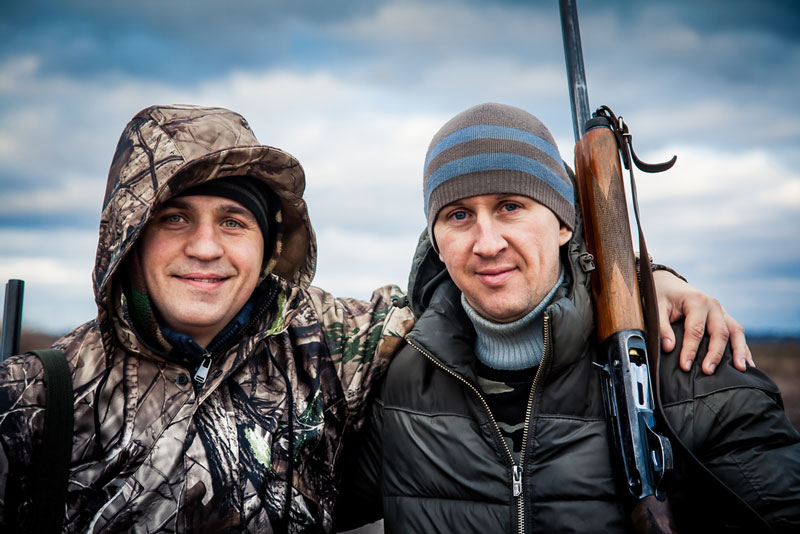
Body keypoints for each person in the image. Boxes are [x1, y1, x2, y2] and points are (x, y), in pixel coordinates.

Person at [0, 104, 757, 533]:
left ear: (267, 244)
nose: (205, 248)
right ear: (128, 235)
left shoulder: (335, 349)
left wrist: (647, 279)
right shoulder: (36, 396)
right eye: (174, 219)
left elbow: (480, 297)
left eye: (234, 220)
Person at [334, 103, 800, 533]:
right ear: (435, 241)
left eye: (510, 207)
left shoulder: (684, 365)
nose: (488, 242)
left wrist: (649, 277)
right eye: (458, 215)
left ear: (564, 223)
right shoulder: (401, 380)